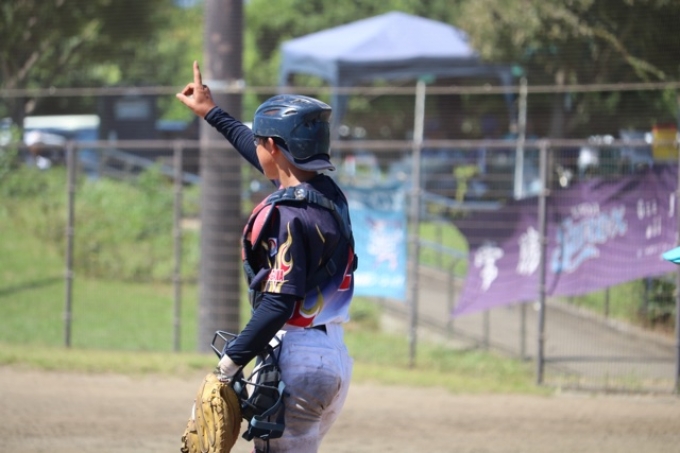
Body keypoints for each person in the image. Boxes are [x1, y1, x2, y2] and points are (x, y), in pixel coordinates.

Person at [176, 61, 356, 453]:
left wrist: (226, 368)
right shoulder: (328, 195)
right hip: (333, 358)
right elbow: (260, 153)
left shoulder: (286, 214)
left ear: (273, 146)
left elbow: (278, 302)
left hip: (298, 360)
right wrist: (211, 112)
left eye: (262, 141)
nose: (256, 147)